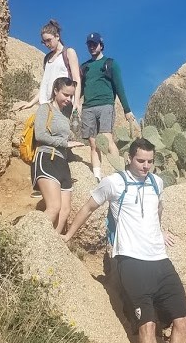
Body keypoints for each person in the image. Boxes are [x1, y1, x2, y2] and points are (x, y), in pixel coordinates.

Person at [63, 137, 186, 343]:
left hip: (160, 261)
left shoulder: (157, 183)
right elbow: (88, 207)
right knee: (147, 324)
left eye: (150, 161)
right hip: (130, 261)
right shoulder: (114, 183)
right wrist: (68, 236)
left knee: (183, 321)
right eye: (140, 161)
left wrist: (161, 229)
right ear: (129, 159)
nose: (146, 166)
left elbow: (157, 208)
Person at [80, 32, 136, 181]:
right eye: (89, 44)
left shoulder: (110, 63)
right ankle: (97, 176)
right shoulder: (84, 67)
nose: (92, 47)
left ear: (101, 45)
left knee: (107, 139)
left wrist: (127, 110)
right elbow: (79, 89)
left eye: (94, 44)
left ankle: (118, 173)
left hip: (106, 105)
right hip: (88, 107)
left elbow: (119, 87)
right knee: (93, 143)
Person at [31, 77, 84, 234]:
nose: (68, 99)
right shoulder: (45, 109)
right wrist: (65, 143)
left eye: (71, 96)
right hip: (47, 158)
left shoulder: (64, 116)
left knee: (64, 211)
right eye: (65, 95)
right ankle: (31, 242)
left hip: (62, 163)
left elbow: (70, 136)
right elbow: (40, 135)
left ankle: (52, 246)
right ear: (55, 91)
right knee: (54, 207)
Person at [23, 20, 81, 111]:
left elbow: (76, 79)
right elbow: (45, 84)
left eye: (49, 40)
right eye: (44, 42)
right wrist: (31, 103)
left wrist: (76, 102)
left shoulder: (69, 53)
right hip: (46, 105)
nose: (47, 44)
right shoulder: (47, 59)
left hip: (63, 105)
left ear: (57, 36)